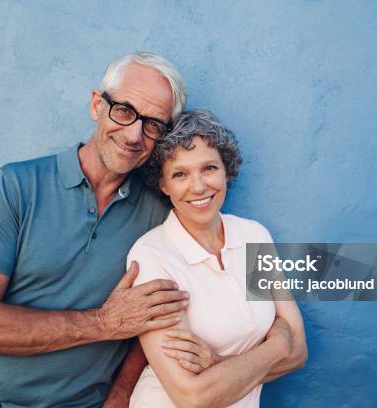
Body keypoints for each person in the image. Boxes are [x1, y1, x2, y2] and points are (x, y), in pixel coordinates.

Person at [0, 52, 195, 408]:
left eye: (154, 124)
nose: (134, 134)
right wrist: (104, 323)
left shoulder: (163, 214)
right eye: (124, 110)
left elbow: (155, 313)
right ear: (97, 105)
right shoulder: (16, 186)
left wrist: (122, 392)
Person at [125, 110, 308, 407]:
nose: (198, 186)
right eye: (180, 174)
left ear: (226, 171)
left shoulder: (253, 237)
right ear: (164, 185)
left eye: (209, 168)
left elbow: (299, 353)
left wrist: (219, 363)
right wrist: (278, 344)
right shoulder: (152, 256)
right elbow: (193, 396)